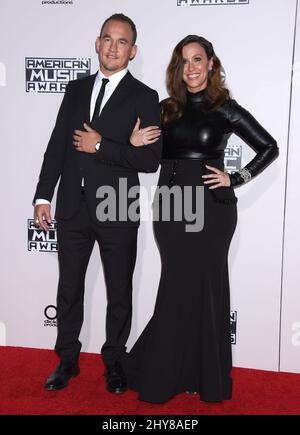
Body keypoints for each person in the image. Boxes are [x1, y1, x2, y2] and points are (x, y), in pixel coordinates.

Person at [122, 35, 279, 403]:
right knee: (177, 288)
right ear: (178, 68)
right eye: (184, 61)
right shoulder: (165, 109)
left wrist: (236, 177)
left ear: (211, 63)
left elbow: (269, 146)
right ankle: (174, 371)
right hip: (172, 205)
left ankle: (203, 376)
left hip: (212, 207)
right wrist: (132, 143)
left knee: (207, 287)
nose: (191, 68)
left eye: (198, 59)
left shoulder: (226, 108)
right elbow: (145, 158)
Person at [33, 13, 162, 393]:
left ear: (133, 51)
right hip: (72, 206)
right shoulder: (74, 91)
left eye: (122, 42)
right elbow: (57, 146)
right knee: (69, 288)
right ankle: (67, 360)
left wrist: (103, 146)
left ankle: (115, 362)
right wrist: (43, 195)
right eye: (107, 38)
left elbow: (150, 160)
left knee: (119, 291)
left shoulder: (145, 97)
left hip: (118, 206)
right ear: (97, 42)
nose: (112, 47)